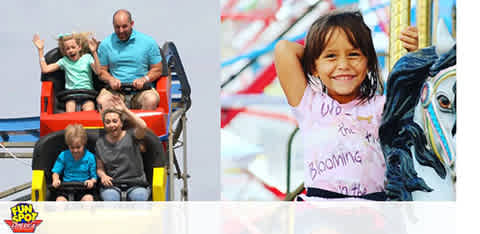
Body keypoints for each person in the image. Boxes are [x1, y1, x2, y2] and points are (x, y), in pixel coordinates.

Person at [274, 10, 418, 201]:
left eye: (353, 55)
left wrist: (417, 53)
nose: (343, 64)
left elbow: (419, 91)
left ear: (368, 63)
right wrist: (315, 58)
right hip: (323, 208)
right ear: (313, 67)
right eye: (331, 56)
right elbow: (284, 49)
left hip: (372, 208)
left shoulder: (383, 106)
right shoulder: (310, 103)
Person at [96, 9, 163, 111]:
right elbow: (101, 71)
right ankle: (110, 125)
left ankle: (143, 127)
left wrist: (144, 79)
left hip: (142, 91)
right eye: (117, 27)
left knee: (151, 99)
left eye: (124, 26)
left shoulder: (148, 42)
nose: (121, 30)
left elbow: (157, 69)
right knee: (103, 100)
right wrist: (111, 79)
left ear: (132, 24)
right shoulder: (105, 44)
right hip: (117, 92)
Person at [95, 95, 150, 201]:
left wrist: (125, 110)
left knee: (139, 198)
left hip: (136, 183)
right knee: (110, 199)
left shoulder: (132, 136)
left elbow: (143, 126)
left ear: (121, 123)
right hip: (113, 184)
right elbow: (100, 168)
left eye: (115, 121)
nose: (112, 125)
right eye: (108, 122)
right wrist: (103, 176)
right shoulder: (100, 143)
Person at [33, 33, 100, 112]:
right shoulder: (64, 61)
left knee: (89, 110)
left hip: (87, 94)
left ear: (79, 47)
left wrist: (94, 52)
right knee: (70, 111)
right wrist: (40, 51)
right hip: (70, 95)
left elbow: (98, 71)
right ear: (65, 51)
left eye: (73, 47)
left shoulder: (87, 58)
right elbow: (45, 69)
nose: (71, 50)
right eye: (67, 49)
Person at [51, 124, 97, 201]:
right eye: (72, 147)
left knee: (89, 199)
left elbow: (94, 177)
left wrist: (91, 181)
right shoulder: (64, 155)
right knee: (60, 200)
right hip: (66, 188)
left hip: (83, 188)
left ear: (84, 143)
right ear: (68, 145)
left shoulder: (90, 157)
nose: (75, 150)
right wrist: (56, 180)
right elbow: (56, 172)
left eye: (78, 147)